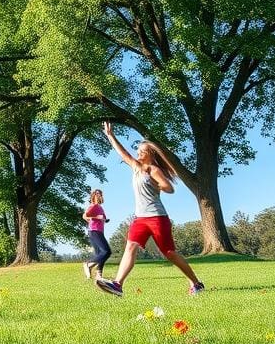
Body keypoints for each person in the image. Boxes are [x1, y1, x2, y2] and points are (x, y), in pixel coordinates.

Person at [96, 122, 205, 297]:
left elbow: (169, 188)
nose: (138, 153)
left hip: (157, 217)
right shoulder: (136, 168)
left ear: (150, 154)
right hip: (140, 218)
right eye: (138, 150)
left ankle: (196, 283)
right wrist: (110, 136)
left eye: (142, 151)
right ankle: (117, 285)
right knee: (130, 246)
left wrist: (159, 184)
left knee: (169, 253)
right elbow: (123, 154)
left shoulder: (153, 170)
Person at [82, 190, 112, 280]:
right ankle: (88, 264)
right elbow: (85, 215)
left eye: (101, 194)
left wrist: (104, 220)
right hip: (94, 231)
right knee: (106, 252)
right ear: (93, 196)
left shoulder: (100, 207)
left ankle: (99, 275)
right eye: (97, 194)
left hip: (99, 231)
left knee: (100, 253)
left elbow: (102, 218)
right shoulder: (94, 206)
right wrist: (95, 218)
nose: (100, 195)